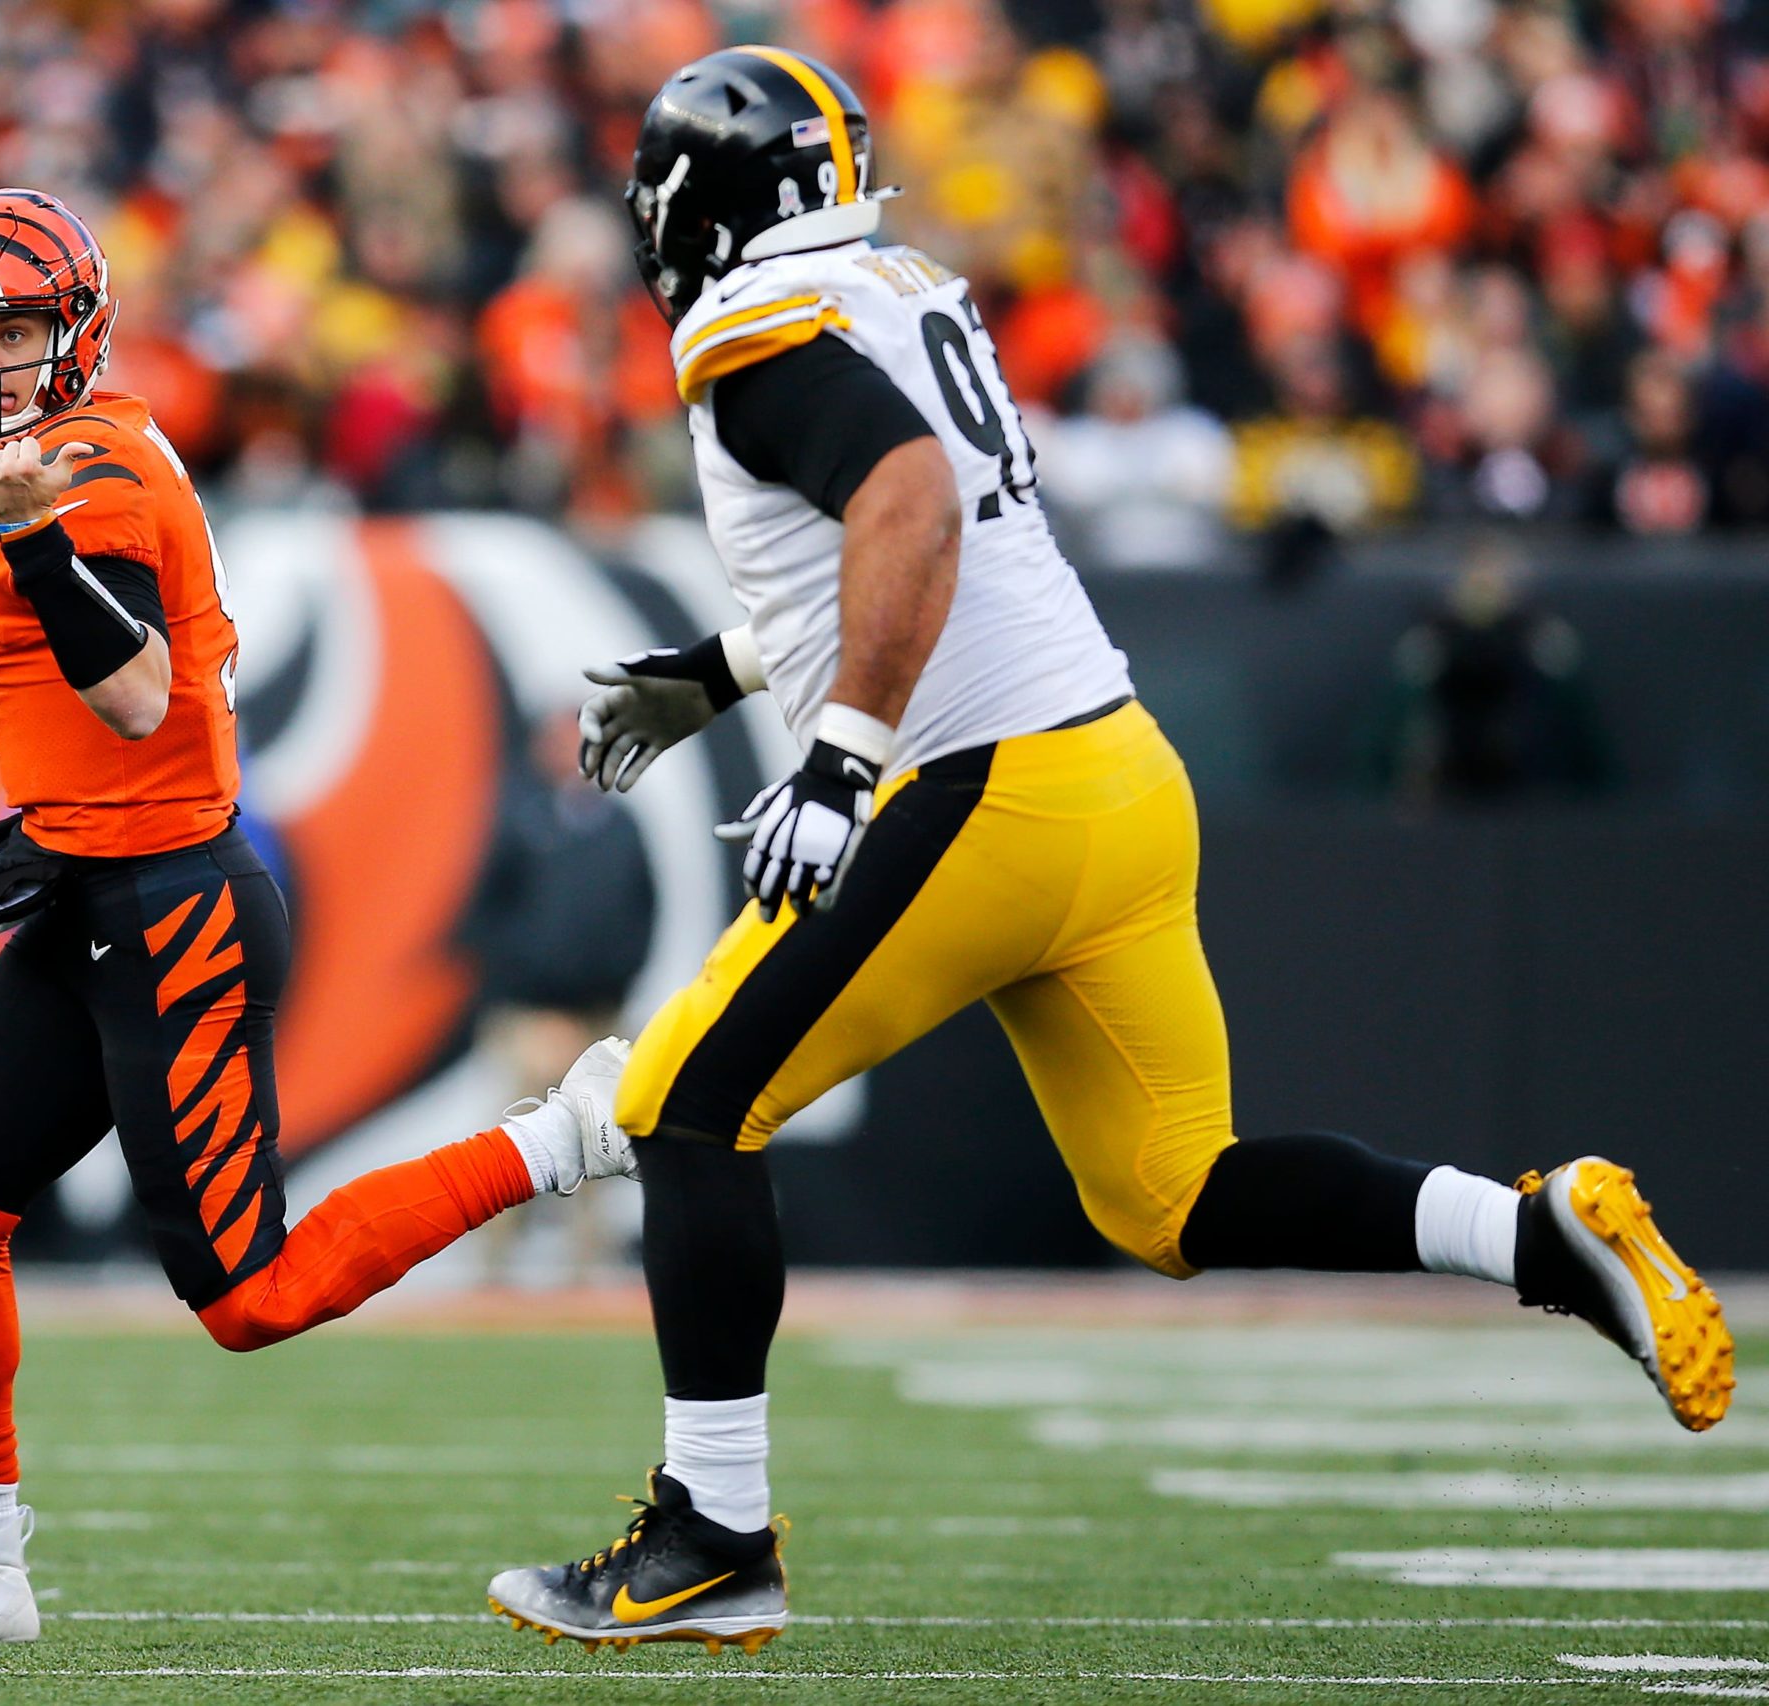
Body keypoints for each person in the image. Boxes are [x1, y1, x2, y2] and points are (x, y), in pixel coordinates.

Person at [488, 48, 1736, 1657]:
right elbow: (887, 548)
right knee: (1171, 1193)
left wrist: (837, 756)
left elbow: (913, 508)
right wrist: (715, 672)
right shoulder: (897, 283)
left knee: (682, 1100)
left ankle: (712, 1534)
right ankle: (1540, 1235)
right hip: (1115, 773)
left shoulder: (752, 320)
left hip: (980, 783)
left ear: (699, 204)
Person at [0, 188, 635, 1644]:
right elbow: (61, 675)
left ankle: (560, 1135)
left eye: (12, 325)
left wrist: (36, 547)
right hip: (93, 881)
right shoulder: (50, 462)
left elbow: (130, 693)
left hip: (174, 904)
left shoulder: (78, 479)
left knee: (249, 1294)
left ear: (77, 329)